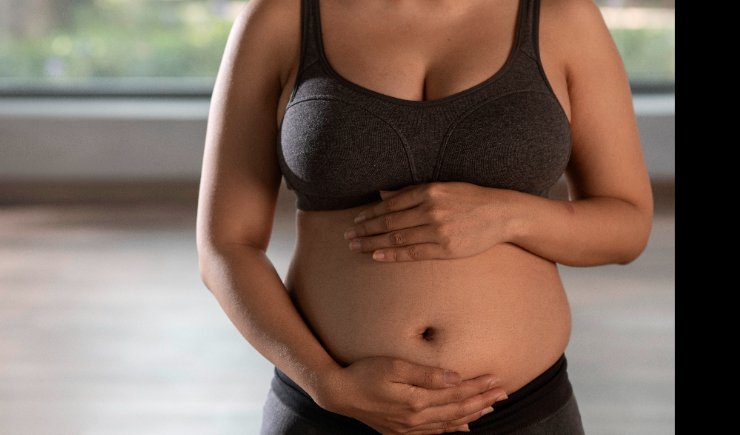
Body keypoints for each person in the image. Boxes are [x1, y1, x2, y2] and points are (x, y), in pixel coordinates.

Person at [196, 0, 654, 433]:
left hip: (521, 413)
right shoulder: (281, 18)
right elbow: (225, 246)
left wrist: (511, 216)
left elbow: (627, 225)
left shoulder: (563, 17)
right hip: (328, 411)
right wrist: (325, 383)